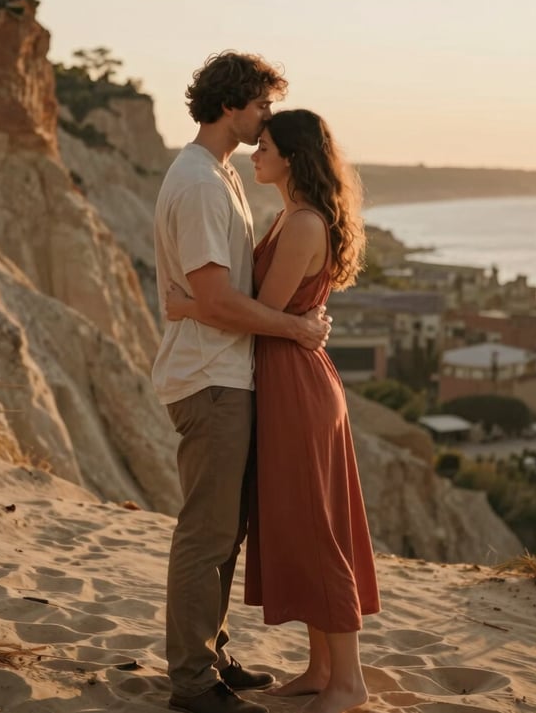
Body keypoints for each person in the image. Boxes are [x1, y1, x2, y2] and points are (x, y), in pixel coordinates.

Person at [167, 108, 380, 713]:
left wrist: (189, 307)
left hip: (298, 388)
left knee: (319, 532)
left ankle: (349, 682)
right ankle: (320, 670)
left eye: (264, 147)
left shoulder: (305, 223)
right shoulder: (292, 214)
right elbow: (282, 317)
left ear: (290, 156)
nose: (254, 154)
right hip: (285, 381)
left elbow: (264, 310)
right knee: (305, 527)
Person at [152, 53, 331, 713]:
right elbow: (218, 300)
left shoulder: (218, 174)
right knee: (207, 531)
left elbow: (211, 296)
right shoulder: (200, 182)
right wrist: (298, 330)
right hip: (210, 379)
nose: (266, 119)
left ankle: (213, 654)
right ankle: (192, 681)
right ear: (232, 104)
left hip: (228, 374)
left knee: (224, 530)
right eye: (261, 105)